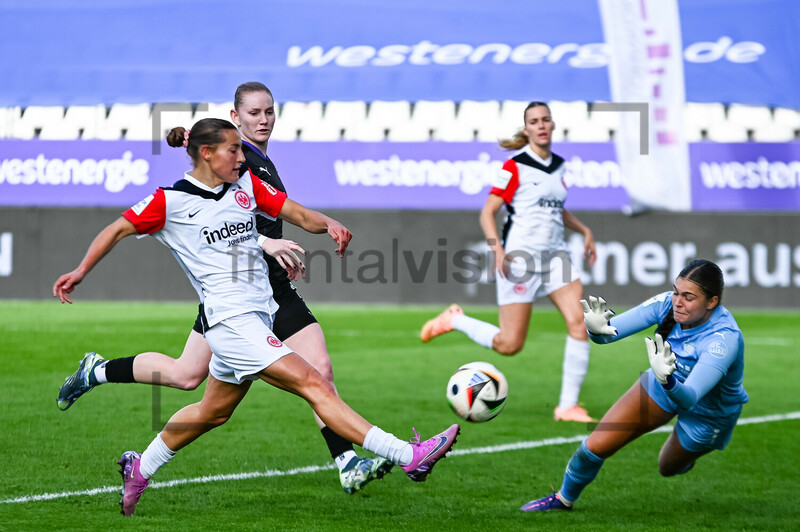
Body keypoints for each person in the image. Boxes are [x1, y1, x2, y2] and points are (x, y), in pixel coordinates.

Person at [53, 118, 460, 516]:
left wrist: (329, 224)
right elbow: (116, 230)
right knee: (314, 383)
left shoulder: (245, 185)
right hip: (230, 323)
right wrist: (81, 272)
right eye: (233, 149)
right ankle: (409, 455)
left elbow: (295, 212)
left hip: (256, 318)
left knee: (212, 412)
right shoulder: (169, 201)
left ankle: (140, 469)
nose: (241, 157)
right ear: (207, 153)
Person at [521, 259, 748, 512]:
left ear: (712, 302)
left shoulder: (724, 339)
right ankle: (563, 499)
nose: (678, 301)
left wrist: (668, 379)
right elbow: (608, 334)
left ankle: (687, 455)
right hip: (663, 383)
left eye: (688, 297)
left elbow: (691, 397)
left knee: (667, 467)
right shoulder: (666, 304)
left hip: (709, 412)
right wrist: (595, 329)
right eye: (676, 291)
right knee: (595, 445)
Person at [420, 101, 598, 423]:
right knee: (510, 344)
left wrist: (584, 229)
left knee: (580, 323)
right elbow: (487, 211)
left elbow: (554, 209)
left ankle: (567, 406)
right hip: (521, 259)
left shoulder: (559, 166)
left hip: (557, 256)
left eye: (546, 119)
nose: (541, 125)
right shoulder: (515, 166)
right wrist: (497, 250)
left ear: (553, 125)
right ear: (527, 128)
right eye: (534, 121)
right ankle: (455, 319)